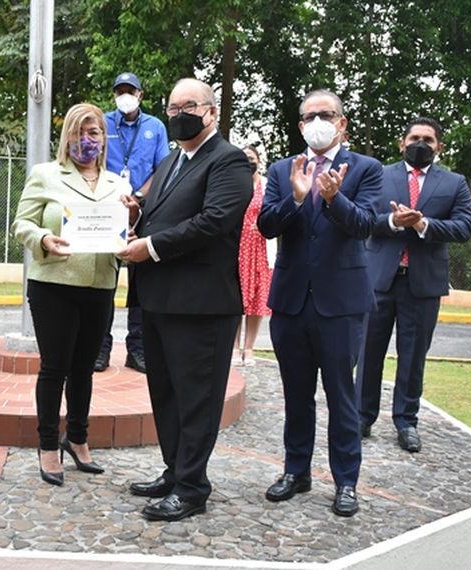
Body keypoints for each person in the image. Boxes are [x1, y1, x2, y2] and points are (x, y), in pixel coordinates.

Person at [118, 78, 252, 521]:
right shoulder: (173, 160)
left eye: (188, 107)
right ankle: (175, 470)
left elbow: (214, 221)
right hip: (158, 298)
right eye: (173, 108)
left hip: (201, 305)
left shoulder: (228, 160)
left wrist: (151, 246)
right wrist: (137, 220)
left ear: (211, 111)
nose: (179, 115)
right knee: (167, 394)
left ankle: (192, 487)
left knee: (197, 399)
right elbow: (164, 217)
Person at [257, 89, 382, 517]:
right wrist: (295, 198)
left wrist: (333, 198)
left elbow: (365, 225)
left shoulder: (365, 168)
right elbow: (266, 225)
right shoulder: (282, 169)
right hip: (291, 301)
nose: (317, 123)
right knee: (296, 395)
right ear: (300, 125)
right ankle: (296, 471)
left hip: (341, 303)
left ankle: (346, 481)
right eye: (309, 116)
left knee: (341, 396)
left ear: (341, 122)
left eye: (326, 115)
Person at [11, 103, 130, 486]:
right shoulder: (45, 175)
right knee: (55, 368)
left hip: (100, 285)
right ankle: (48, 445)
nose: (86, 139)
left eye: (93, 132)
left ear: (104, 138)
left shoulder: (117, 184)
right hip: (54, 285)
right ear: (66, 137)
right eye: (79, 132)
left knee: (84, 369)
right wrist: (43, 237)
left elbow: (122, 233)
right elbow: (21, 224)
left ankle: (77, 438)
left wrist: (131, 226)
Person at [356, 117, 471, 452]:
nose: (420, 144)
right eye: (414, 138)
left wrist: (424, 224)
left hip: (423, 283)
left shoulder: (454, 183)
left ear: (439, 147)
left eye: (428, 140)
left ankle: (406, 421)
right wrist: (393, 221)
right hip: (378, 280)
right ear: (401, 143)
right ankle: (361, 416)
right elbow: (361, 219)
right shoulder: (379, 175)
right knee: (367, 352)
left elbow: (464, 227)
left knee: (413, 356)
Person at [95, 72, 170, 374]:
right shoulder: (103, 122)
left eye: (130, 90)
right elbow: (94, 161)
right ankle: (100, 348)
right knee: (104, 280)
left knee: (140, 284)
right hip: (107, 207)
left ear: (140, 95)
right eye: (120, 91)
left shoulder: (155, 127)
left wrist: (138, 196)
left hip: (144, 208)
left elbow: (162, 168)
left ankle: (137, 349)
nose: (125, 96)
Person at [233, 145, 275, 366]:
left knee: (258, 298)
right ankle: (234, 347)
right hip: (237, 248)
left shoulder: (267, 185)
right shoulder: (233, 184)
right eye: (244, 158)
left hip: (261, 248)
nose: (248, 161)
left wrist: (265, 225)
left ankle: (249, 347)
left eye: (251, 157)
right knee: (235, 298)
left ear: (258, 160)